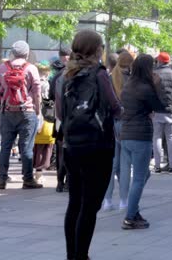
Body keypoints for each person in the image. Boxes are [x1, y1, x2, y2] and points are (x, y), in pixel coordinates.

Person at [60, 29, 122, 260]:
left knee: (74, 202)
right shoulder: (99, 73)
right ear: (98, 50)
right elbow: (115, 107)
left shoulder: (65, 75)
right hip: (98, 146)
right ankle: (81, 255)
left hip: (71, 146)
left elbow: (59, 112)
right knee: (90, 205)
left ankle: (72, 255)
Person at [120, 54, 165, 229]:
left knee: (143, 174)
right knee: (139, 178)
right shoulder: (146, 87)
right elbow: (160, 106)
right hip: (140, 136)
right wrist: (157, 85)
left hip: (126, 135)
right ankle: (130, 216)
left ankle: (133, 209)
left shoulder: (128, 85)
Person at [0, 40, 43, 190]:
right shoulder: (31, 68)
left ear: (13, 52)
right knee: (26, 147)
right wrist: (37, 110)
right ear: (27, 53)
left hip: (7, 111)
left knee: (6, 146)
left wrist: (1, 102)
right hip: (27, 112)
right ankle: (27, 179)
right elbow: (37, 93)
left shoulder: (2, 68)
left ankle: (2, 180)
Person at [102, 51, 134, 211]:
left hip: (111, 124)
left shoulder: (109, 78)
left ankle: (107, 200)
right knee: (125, 165)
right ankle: (124, 201)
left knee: (111, 165)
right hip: (127, 123)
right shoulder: (132, 78)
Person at [153, 52, 172, 173]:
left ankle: (157, 165)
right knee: (171, 137)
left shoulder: (154, 74)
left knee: (157, 137)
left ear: (159, 61)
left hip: (157, 110)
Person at [50, 48, 71, 192]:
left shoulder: (57, 76)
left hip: (59, 118)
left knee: (60, 150)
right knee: (71, 150)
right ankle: (69, 181)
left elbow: (51, 95)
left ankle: (59, 181)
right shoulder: (77, 75)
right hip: (72, 118)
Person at [33, 62, 55, 183]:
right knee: (45, 145)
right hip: (45, 117)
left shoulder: (31, 82)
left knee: (36, 145)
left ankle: (34, 172)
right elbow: (46, 101)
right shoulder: (45, 84)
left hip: (32, 115)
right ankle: (39, 173)